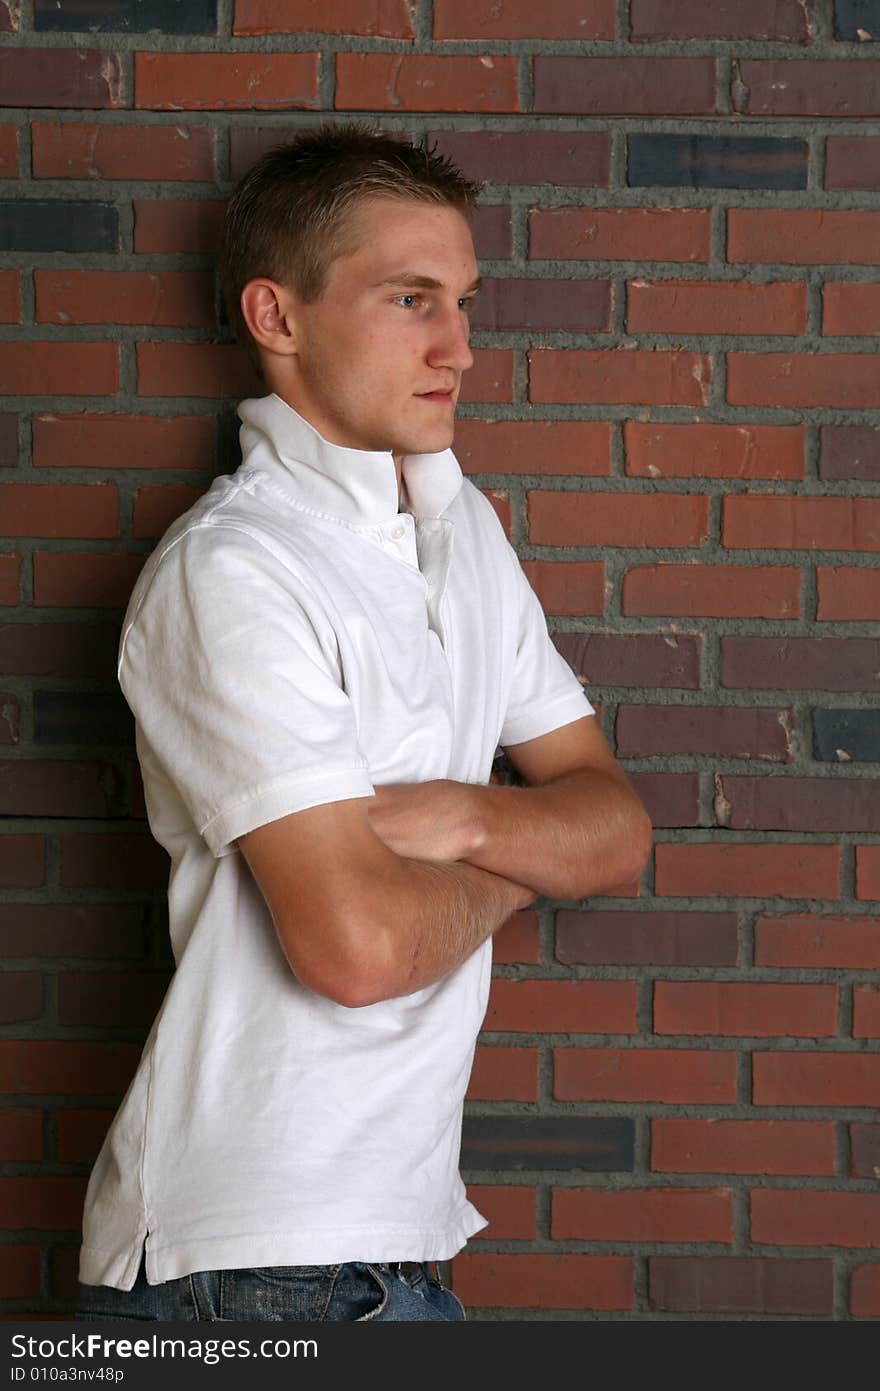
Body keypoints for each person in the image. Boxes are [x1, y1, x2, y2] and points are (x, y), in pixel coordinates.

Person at [75, 123, 652, 1324]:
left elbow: (616, 825)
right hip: (256, 1257)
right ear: (276, 318)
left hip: (384, 1242)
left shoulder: (463, 531)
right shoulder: (233, 570)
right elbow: (359, 950)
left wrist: (458, 817)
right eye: (409, 299)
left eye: (463, 302)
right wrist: (522, 853)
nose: (460, 347)